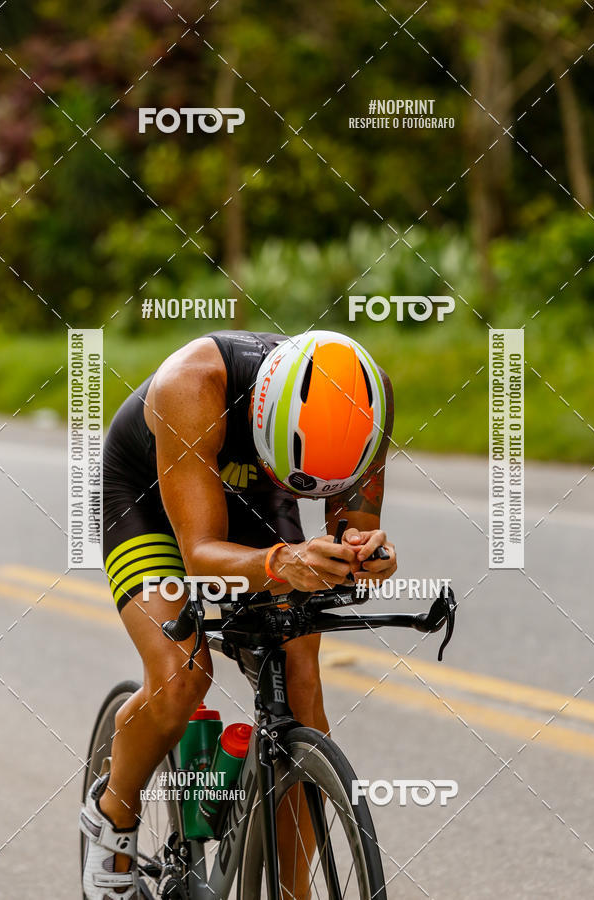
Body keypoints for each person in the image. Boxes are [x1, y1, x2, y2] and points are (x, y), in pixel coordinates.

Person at [80, 329, 396, 900]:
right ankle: (112, 819)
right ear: (263, 414)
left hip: (257, 498)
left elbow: (351, 523)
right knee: (181, 675)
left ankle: (291, 888)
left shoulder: (366, 402)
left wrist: (364, 551)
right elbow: (201, 555)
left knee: (303, 684)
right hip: (148, 498)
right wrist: (285, 560)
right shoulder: (192, 385)